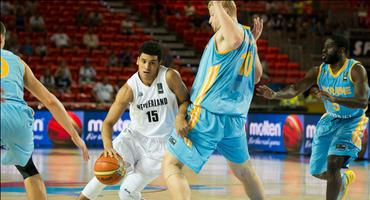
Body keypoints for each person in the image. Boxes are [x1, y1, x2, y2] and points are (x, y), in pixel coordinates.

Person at [162, 1, 265, 200]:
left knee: (171, 164)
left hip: (206, 115)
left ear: (224, 11)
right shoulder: (248, 37)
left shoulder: (229, 35)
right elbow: (257, 75)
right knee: (245, 173)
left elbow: (234, 39)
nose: (210, 20)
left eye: (212, 14)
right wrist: (252, 46)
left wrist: (216, 3)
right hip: (234, 120)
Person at [256, 34, 369, 200]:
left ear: (341, 50)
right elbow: (295, 89)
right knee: (318, 172)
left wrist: (334, 98)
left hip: (352, 121)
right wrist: (275, 95)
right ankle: (343, 180)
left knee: (334, 162)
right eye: (323, 47)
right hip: (330, 120)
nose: (323, 51)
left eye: (328, 47)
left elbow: (362, 100)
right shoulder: (318, 71)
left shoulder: (355, 70)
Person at [77, 41, 189, 200]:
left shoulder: (170, 77)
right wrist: (108, 146)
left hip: (162, 145)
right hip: (134, 138)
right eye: (143, 61)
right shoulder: (129, 89)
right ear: (137, 60)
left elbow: (186, 100)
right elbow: (108, 123)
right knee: (104, 173)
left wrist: (180, 116)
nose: (147, 67)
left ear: (160, 63)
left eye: (152, 63)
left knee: (126, 193)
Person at [0, 21, 90, 200]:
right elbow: (50, 100)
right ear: (2, 38)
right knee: (29, 171)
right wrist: (74, 135)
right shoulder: (18, 62)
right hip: (18, 117)